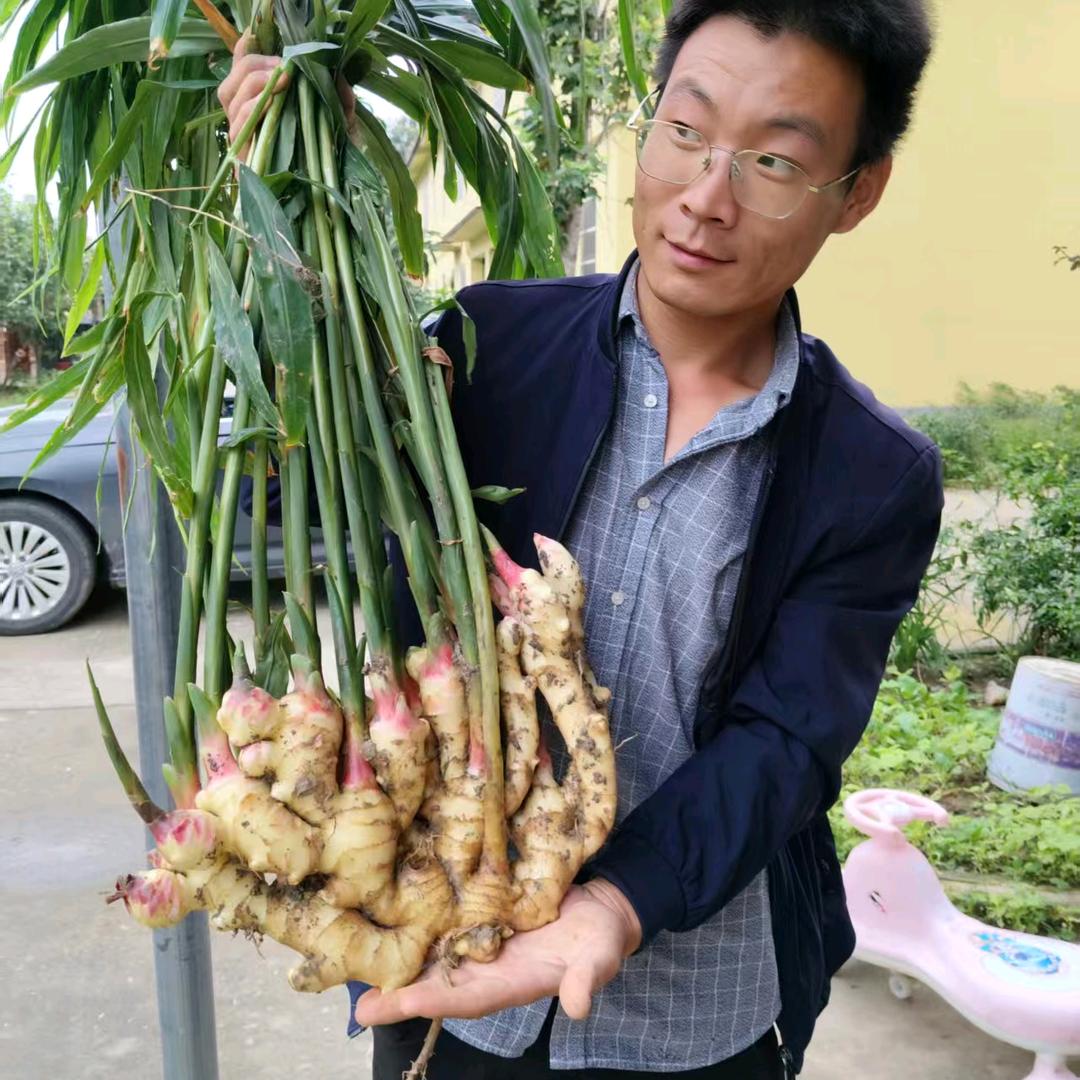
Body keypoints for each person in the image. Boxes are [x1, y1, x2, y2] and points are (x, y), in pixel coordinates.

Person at [220, 2, 941, 1076]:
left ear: (858, 194)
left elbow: (786, 742)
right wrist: (281, 241)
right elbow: (308, 484)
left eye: (775, 162)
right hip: (448, 963)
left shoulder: (873, 473)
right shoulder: (480, 347)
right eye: (685, 132)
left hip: (696, 1014)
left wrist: (612, 903)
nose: (705, 196)